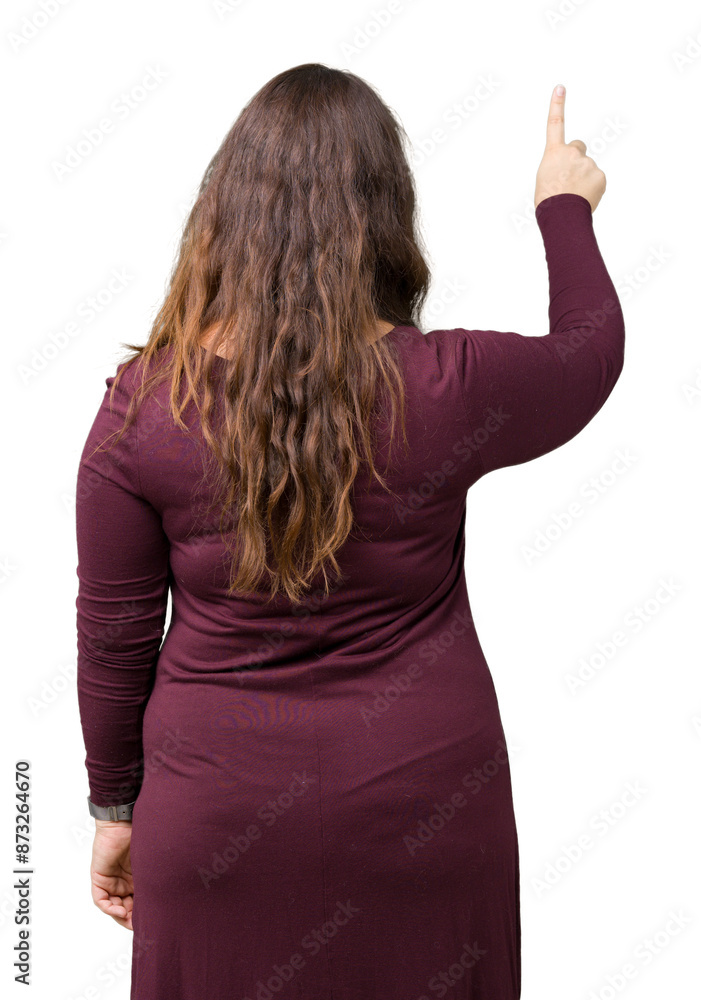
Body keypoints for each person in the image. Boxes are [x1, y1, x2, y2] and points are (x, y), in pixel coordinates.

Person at [75, 65, 624, 999]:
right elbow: (589, 349)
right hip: (425, 818)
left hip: (212, 824)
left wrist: (114, 810)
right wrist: (561, 206)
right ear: (384, 216)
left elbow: (114, 637)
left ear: (223, 214)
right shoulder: (447, 385)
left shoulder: (143, 410)